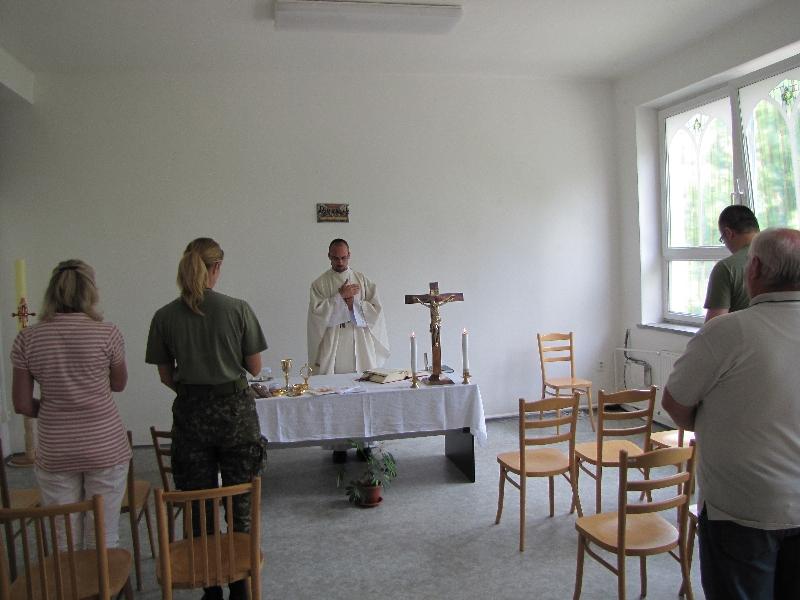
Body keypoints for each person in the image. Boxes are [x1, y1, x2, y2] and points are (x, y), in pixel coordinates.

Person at [663, 228, 800, 600]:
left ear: (753, 270)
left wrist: (711, 423)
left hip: (742, 509)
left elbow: (675, 404)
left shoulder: (726, 332)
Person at [146, 238, 267, 600]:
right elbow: (255, 367)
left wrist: (194, 391)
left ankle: (210, 586)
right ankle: (240, 583)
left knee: (198, 501)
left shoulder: (165, 316)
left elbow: (165, 375)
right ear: (216, 267)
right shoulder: (237, 309)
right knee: (240, 497)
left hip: (191, 415)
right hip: (235, 415)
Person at [11, 259, 130, 549]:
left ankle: (71, 577)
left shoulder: (28, 338)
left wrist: (54, 409)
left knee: (64, 537)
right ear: (91, 292)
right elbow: (118, 384)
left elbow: (22, 404)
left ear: (51, 293)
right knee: (103, 534)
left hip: (56, 447)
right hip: (104, 444)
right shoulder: (107, 333)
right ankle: (103, 577)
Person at [307, 239, 390, 375]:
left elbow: (376, 311)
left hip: (360, 340)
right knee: (331, 383)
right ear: (329, 256)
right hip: (333, 341)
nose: (340, 262)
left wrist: (353, 304)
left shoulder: (362, 280)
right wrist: (340, 296)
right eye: (335, 258)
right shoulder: (319, 284)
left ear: (349, 255)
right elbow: (317, 314)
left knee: (364, 380)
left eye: (343, 258)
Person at [704, 204, 760, 322]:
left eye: (722, 239)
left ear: (728, 233)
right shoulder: (784, 256)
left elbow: (714, 326)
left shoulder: (726, 268)